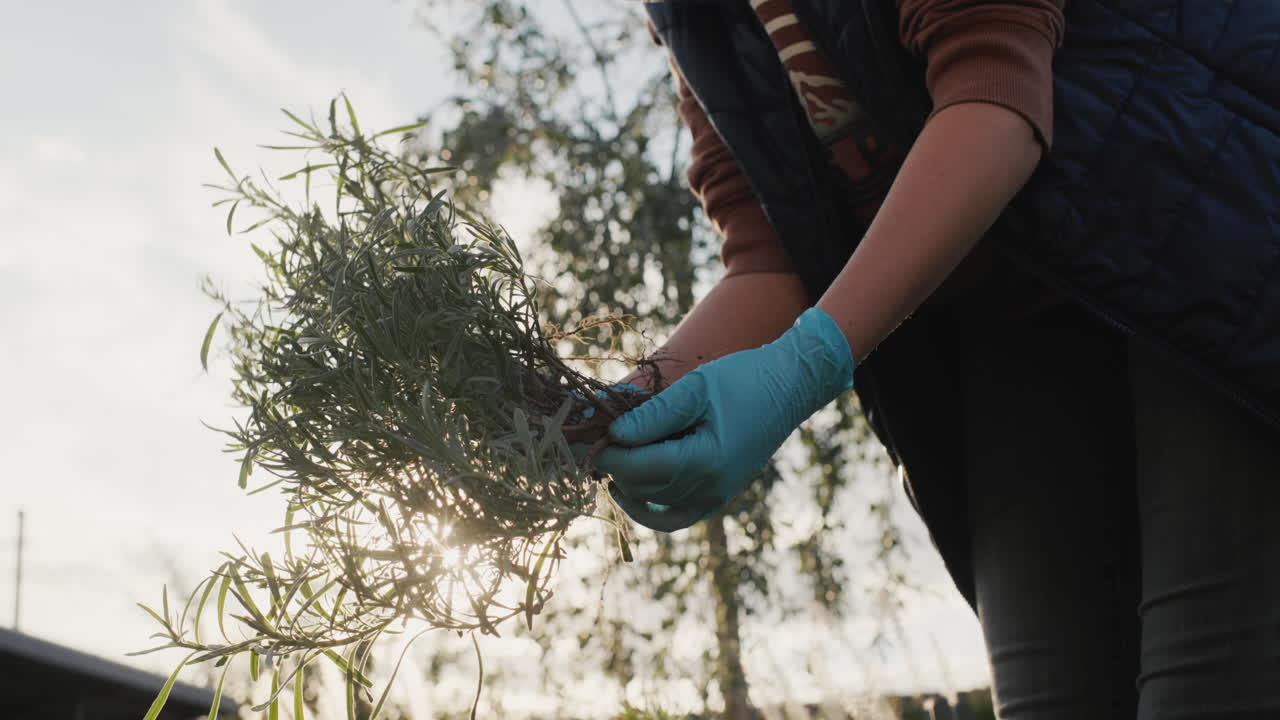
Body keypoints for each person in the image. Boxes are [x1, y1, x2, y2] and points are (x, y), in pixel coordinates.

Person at [582, 0, 1280, 717]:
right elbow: (768, 254)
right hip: (1016, 319)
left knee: (1209, 682)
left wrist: (808, 360)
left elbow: (993, 86)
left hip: (1205, 226)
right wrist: (611, 411)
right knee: (1052, 697)